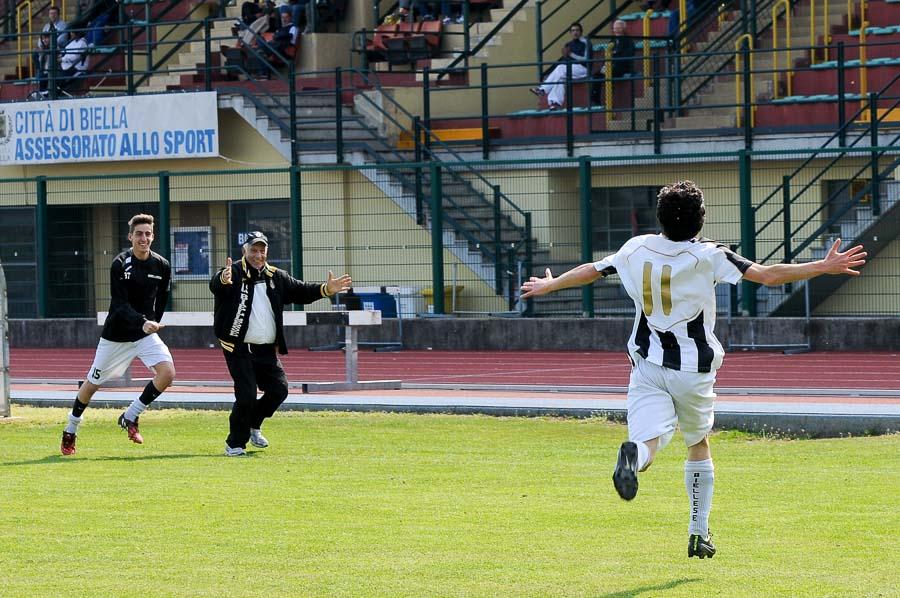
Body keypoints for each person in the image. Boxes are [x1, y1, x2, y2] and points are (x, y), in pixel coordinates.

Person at [519, 180, 866, 558]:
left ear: (660, 218)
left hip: (647, 363)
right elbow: (768, 275)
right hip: (692, 369)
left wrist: (550, 285)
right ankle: (699, 533)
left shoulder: (635, 248)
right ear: (701, 220)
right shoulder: (708, 255)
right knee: (697, 442)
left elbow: (593, 269)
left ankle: (632, 457)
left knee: (648, 441)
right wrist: (824, 265)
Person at [209, 231, 352, 456]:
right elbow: (217, 285)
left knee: (279, 390)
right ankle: (235, 443)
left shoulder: (276, 276)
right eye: (253, 250)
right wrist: (223, 279)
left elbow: (302, 291)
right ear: (244, 251)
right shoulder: (233, 272)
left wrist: (327, 290)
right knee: (246, 395)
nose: (258, 255)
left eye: (261, 250)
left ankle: (254, 424)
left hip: (266, 348)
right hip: (238, 348)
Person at [61, 214, 176, 456]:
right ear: (130, 236)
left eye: (148, 234)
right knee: (91, 385)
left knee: (167, 373)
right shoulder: (120, 263)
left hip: (144, 335)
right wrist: (143, 321)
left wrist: (154, 321)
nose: (143, 238)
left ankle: (130, 416)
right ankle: (70, 429)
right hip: (116, 336)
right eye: (139, 234)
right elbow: (120, 304)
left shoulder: (162, 265)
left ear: (153, 236)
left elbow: (163, 297)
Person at [530, 22, 591, 110]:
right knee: (560, 77)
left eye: (577, 30)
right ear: (570, 33)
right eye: (573, 30)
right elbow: (566, 60)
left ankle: (543, 89)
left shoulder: (586, 42)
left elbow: (585, 59)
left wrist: (571, 54)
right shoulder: (568, 44)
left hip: (584, 68)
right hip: (571, 69)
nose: (575, 32)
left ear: (581, 32)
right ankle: (555, 103)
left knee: (560, 69)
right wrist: (567, 56)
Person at [33, 6, 68, 78]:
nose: (52, 15)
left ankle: (45, 75)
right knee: (35, 53)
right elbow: (41, 38)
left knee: (47, 53)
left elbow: (62, 39)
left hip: (57, 47)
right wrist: (41, 45)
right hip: (46, 47)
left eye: (54, 13)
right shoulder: (46, 26)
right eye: (51, 13)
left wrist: (49, 43)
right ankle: (40, 72)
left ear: (58, 15)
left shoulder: (63, 25)